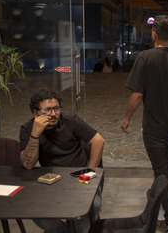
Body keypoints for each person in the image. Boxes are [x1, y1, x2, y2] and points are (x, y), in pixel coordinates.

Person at [120, 15, 168, 233]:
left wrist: (127, 118)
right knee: (162, 166)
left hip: (154, 128)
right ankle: (154, 196)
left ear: (153, 34)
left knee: (161, 173)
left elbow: (137, 94)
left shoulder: (145, 57)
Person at [19, 88, 105, 233]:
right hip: (52, 182)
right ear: (35, 112)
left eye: (56, 109)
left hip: (80, 178)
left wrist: (89, 171)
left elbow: (99, 141)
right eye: (47, 110)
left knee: (86, 211)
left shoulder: (70, 120)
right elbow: (28, 164)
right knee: (36, 212)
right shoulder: (28, 129)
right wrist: (35, 134)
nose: (53, 114)